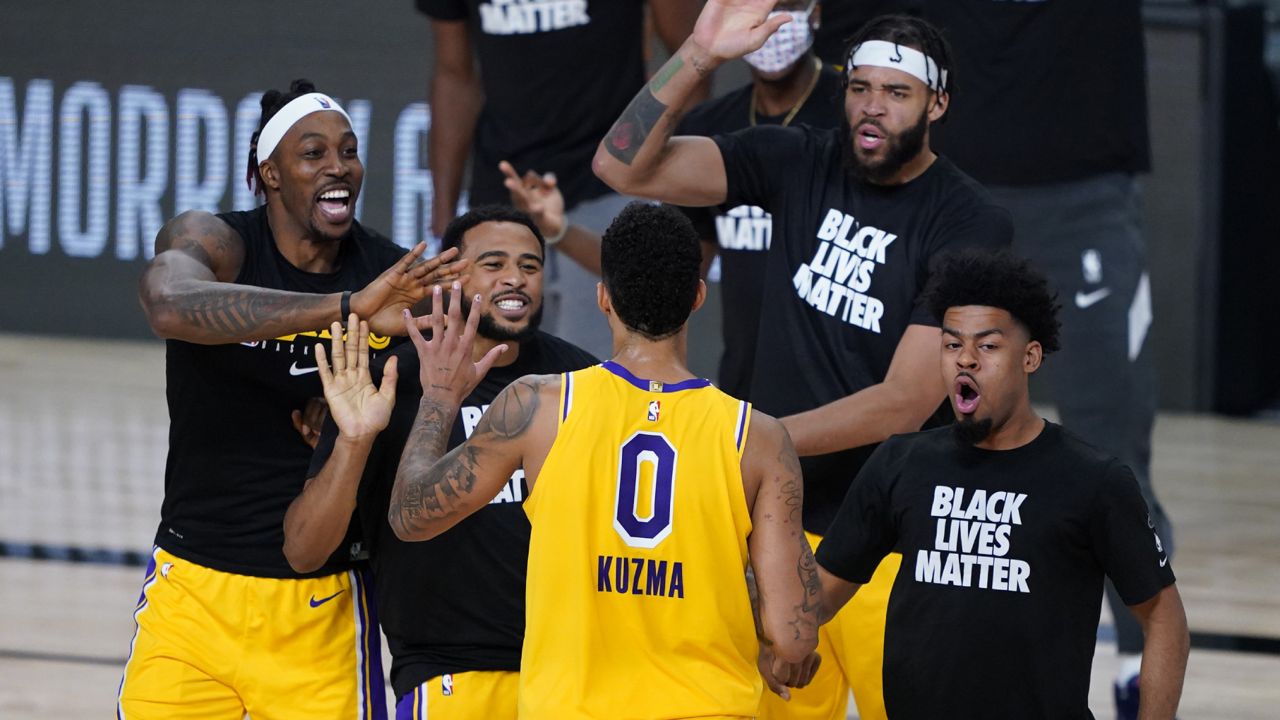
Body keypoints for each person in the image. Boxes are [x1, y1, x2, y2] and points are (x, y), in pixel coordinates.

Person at [592, 5, 1012, 718]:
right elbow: (620, 166)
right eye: (860, 87)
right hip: (781, 533)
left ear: (937, 104)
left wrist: (753, 440)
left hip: (895, 542)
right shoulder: (797, 159)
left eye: (897, 92)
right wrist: (698, 52)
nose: (871, 108)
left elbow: (903, 402)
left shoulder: (968, 220)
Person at [384, 202, 820, 719]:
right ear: (698, 297)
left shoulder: (538, 406)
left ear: (604, 298)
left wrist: (437, 399)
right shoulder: (759, 437)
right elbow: (794, 640)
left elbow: (411, 516)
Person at [119, 79, 463, 719]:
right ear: (269, 173)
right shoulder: (219, 243)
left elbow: (440, 393)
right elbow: (167, 303)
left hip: (321, 604)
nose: (338, 166)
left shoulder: (387, 273)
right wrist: (341, 313)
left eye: (349, 150)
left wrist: (353, 421)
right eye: (314, 154)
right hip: (193, 587)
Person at [912, 3, 1171, 713]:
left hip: (1082, 189)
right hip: (952, 188)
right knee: (930, 438)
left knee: (1113, 443)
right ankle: (927, 653)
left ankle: (1135, 660)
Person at [813, 248, 1189, 719]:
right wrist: (783, 633)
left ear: (1030, 357)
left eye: (987, 347)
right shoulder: (901, 463)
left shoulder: (1093, 480)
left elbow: (1163, 616)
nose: (965, 360)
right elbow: (823, 591)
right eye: (952, 345)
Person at [284, 205, 598, 719]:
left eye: (530, 265)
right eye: (493, 264)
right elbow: (303, 551)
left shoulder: (581, 379)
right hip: (450, 675)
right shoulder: (389, 380)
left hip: (569, 674)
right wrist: (355, 440)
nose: (515, 279)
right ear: (451, 276)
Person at [504, 0, 844, 399]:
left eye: (784, 5)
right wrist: (559, 231)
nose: (769, 20)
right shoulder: (713, 126)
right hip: (747, 390)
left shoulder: (857, 116)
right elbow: (660, 266)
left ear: (816, 11)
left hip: (842, 392)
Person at [418, 0, 704, 358]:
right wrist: (444, 211)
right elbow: (453, 74)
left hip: (609, 185)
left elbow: (692, 53)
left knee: (604, 377)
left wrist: (663, 175)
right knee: (499, 382)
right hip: (502, 193)